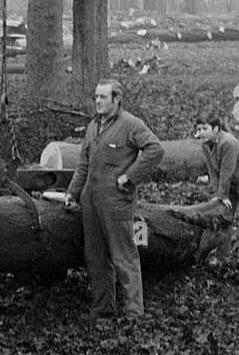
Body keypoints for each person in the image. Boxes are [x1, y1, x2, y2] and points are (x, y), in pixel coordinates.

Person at [64, 79, 164, 324]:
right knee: (96, 258)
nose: (98, 101)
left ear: (116, 99)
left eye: (103, 97)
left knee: (124, 256)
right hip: (91, 200)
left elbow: (155, 150)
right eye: (96, 97)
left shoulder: (131, 124)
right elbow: (83, 164)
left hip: (117, 201)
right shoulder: (92, 126)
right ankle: (104, 311)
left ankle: (134, 313)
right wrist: (72, 192)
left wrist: (129, 177)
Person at [194, 113, 239, 273]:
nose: (202, 132)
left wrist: (223, 195)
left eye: (205, 128)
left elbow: (227, 170)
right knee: (224, 220)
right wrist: (219, 195)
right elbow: (213, 171)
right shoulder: (205, 145)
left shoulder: (228, 143)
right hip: (227, 186)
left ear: (216, 128)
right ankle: (222, 257)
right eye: (199, 129)